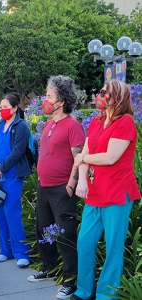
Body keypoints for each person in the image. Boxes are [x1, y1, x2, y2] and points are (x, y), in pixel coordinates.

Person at [71, 80, 141, 300]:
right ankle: (83, 291)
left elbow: (110, 157)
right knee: (85, 241)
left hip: (118, 194)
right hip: (94, 192)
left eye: (105, 92)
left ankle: (106, 295)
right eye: (100, 91)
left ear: (117, 96)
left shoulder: (126, 122)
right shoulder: (98, 120)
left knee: (113, 247)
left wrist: (82, 157)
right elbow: (87, 151)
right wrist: (81, 180)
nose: (100, 96)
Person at [27, 75, 85, 300]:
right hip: (44, 187)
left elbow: (78, 157)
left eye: (49, 96)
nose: (45, 100)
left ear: (61, 101)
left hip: (62, 189)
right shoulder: (50, 123)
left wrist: (71, 184)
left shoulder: (73, 126)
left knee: (64, 234)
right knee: (46, 230)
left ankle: (70, 280)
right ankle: (48, 266)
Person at [0, 93, 31, 267]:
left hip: (12, 176)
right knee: (0, 213)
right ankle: (5, 250)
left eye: (6, 107)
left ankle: (22, 252)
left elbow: (17, 152)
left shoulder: (21, 127)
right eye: (1, 106)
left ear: (14, 107)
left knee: (11, 213)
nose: (2, 110)